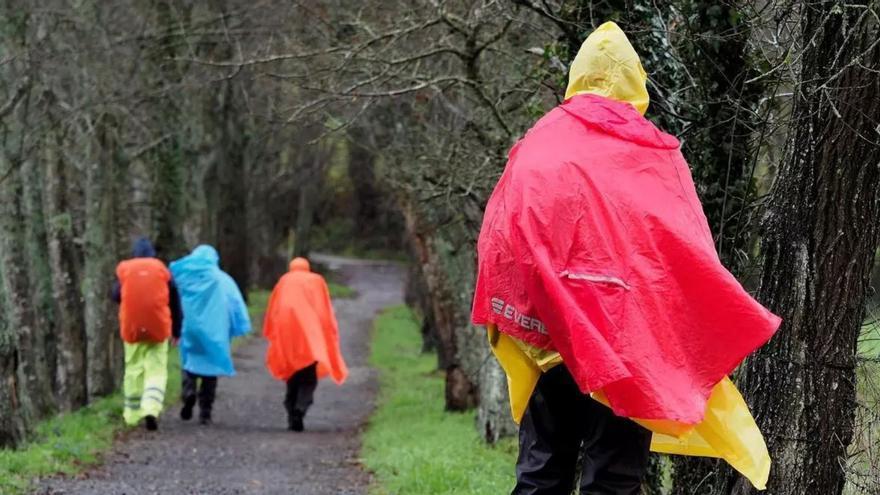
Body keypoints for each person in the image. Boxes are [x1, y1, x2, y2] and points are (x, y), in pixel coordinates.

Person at [471, 22, 782, 494]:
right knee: (614, 474)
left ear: (577, 75)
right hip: (628, 343)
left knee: (542, 467)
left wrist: (523, 315)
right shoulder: (654, 153)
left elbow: (500, 239)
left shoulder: (539, 144)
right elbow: (685, 250)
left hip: (549, 341)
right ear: (635, 80)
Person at [263, 257, 348, 432]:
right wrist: (326, 333)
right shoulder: (317, 281)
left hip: (287, 335)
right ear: (307, 268)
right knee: (308, 377)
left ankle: (291, 410)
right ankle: (301, 407)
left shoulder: (284, 281)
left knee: (292, 376)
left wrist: (272, 331)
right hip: (310, 335)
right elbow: (324, 310)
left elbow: (274, 308)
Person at [170, 245, 251, 425]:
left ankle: (188, 393)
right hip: (214, 331)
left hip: (189, 328)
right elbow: (235, 304)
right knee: (210, 371)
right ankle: (205, 411)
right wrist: (239, 327)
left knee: (189, 363)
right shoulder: (223, 280)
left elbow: (171, 299)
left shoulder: (182, 277)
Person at [113, 237, 183, 431]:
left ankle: (132, 415)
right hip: (158, 328)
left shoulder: (126, 269)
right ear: (152, 253)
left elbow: (115, 295)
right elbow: (175, 302)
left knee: (134, 369)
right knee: (156, 369)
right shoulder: (162, 269)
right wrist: (177, 330)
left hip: (132, 328)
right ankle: (151, 408)